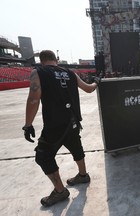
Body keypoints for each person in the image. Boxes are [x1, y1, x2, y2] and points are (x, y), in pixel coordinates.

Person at [22, 50, 98, 207]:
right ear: (56, 59)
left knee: (43, 156)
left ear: (42, 60)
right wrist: (97, 81)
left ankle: (60, 191)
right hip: (73, 120)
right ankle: (83, 175)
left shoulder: (38, 72)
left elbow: (34, 99)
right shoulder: (70, 72)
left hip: (55, 123)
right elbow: (89, 89)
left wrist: (28, 125)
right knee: (75, 145)